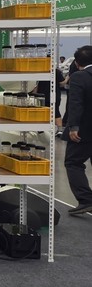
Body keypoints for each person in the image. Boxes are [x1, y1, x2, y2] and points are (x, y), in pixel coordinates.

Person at [62, 45, 92, 216]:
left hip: (84, 130)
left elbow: (76, 103)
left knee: (73, 163)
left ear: (77, 62)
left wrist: (73, 127)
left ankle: (86, 200)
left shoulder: (79, 77)